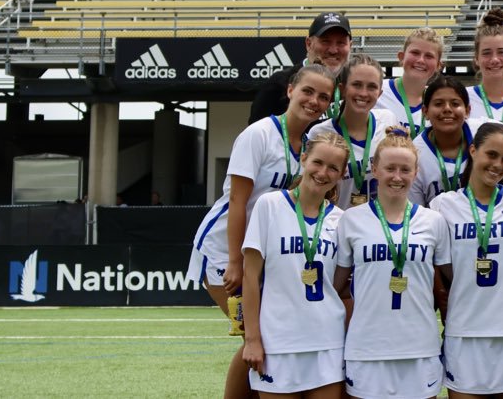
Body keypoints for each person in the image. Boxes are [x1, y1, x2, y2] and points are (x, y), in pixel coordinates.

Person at [188, 64, 333, 399]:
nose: (314, 101)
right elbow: (238, 202)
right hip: (225, 248)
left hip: (263, 252)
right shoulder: (259, 134)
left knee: (268, 339)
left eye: (323, 96)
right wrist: (236, 263)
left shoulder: (311, 142)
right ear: (290, 91)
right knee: (257, 337)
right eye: (308, 91)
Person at [332, 129, 449, 399]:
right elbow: (337, 287)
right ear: (374, 169)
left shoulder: (434, 221)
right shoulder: (351, 220)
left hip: (420, 347)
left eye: (405, 169)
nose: (397, 177)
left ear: (416, 171)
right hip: (367, 347)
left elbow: (444, 288)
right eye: (390, 168)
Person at [430, 123, 503, 398]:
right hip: (466, 331)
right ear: (473, 150)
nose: (498, 165)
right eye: (491, 155)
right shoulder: (442, 205)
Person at [240, 132, 349, 398]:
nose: (323, 172)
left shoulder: (342, 220)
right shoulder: (269, 205)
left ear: (342, 173)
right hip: (278, 341)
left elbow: (338, 284)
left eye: (333, 167)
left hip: (327, 343)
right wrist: (253, 339)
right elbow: (250, 277)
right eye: (318, 162)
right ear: (303, 159)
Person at [308, 53, 400, 209]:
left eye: (372, 87)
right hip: (337, 226)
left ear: (380, 93)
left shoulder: (388, 120)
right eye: (357, 84)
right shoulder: (320, 133)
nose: (363, 93)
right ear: (342, 89)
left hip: (381, 225)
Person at [249, 12, 352, 124]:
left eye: (341, 43)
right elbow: (257, 130)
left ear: (350, 46)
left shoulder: (354, 85)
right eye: (325, 41)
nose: (333, 50)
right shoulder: (279, 83)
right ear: (308, 43)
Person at [411, 76, 478, 207]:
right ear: (425, 111)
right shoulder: (414, 154)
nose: (447, 109)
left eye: (455, 103)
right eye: (438, 104)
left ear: (467, 110)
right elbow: (416, 211)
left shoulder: (483, 134)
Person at [377, 27, 446, 137]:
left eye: (429, 56)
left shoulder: (440, 103)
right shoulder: (377, 92)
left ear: (438, 65)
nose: (421, 60)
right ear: (401, 57)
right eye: (415, 53)